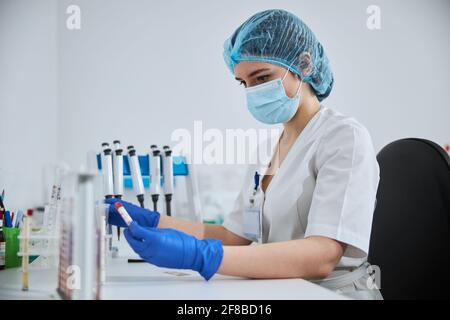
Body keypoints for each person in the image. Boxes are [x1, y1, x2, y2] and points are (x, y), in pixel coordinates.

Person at [106, 9, 382, 299]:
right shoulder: (268, 149)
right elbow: (233, 237)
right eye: (243, 83)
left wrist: (202, 257)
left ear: (303, 64)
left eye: (262, 77)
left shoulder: (344, 138)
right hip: (282, 289)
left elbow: (322, 255)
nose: (252, 91)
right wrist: (150, 220)